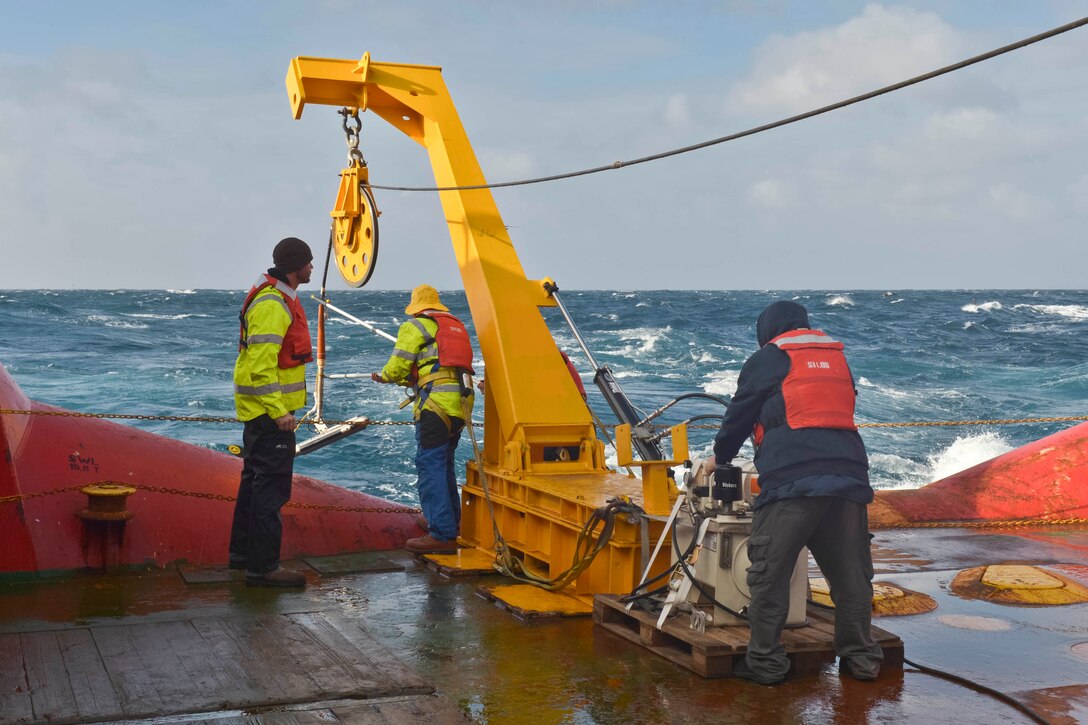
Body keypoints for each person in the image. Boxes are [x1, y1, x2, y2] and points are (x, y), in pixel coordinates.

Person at [713, 300, 883, 685]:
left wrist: (720, 457)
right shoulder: (836, 356)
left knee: (769, 573)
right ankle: (861, 660)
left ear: (767, 329)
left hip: (792, 481)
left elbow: (740, 414)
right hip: (849, 477)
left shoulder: (770, 357)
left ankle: (766, 664)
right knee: (852, 577)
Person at [229, 237, 314, 587]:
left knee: (253, 484)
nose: (312, 268)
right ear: (296, 267)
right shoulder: (273, 305)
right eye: (308, 263)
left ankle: (242, 557)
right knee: (271, 490)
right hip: (268, 414)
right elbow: (261, 367)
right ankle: (264, 569)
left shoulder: (275, 298)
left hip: (258, 412)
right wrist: (279, 412)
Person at [372, 284, 474, 554]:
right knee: (445, 464)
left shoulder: (415, 326)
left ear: (415, 307)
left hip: (435, 404)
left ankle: (440, 534)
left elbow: (397, 368)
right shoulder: (455, 326)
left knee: (430, 465)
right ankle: (449, 522)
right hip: (461, 404)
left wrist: (383, 376)